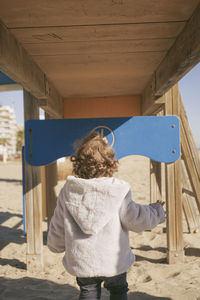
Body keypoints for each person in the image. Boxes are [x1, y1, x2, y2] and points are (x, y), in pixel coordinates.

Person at [47, 131, 165, 300]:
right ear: (110, 163)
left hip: (83, 260)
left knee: (88, 292)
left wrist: (55, 245)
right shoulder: (118, 189)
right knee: (118, 290)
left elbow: (58, 223)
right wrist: (156, 211)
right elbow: (136, 218)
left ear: (79, 163)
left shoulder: (69, 190)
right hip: (112, 260)